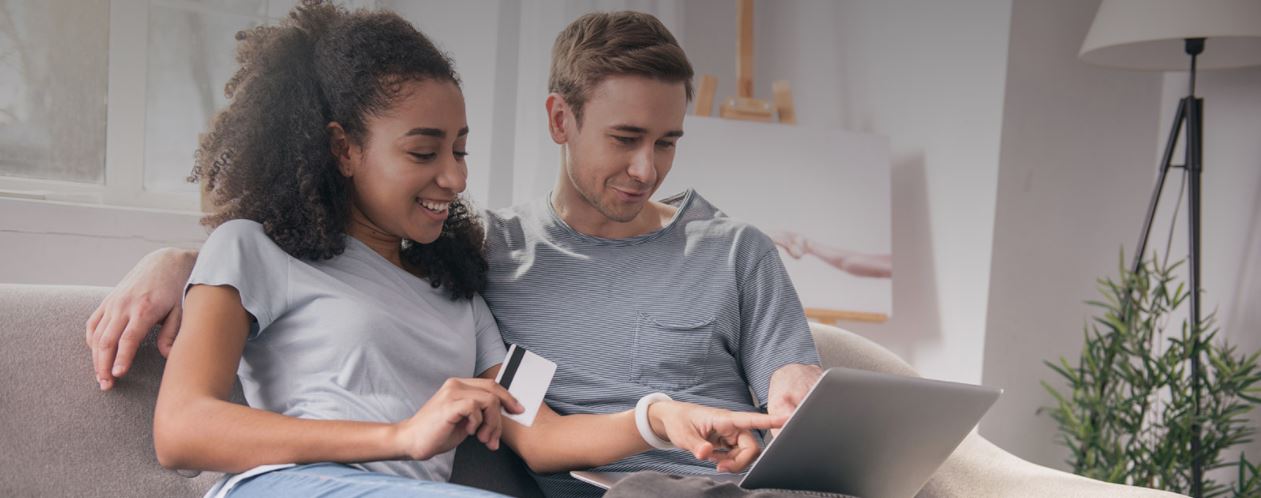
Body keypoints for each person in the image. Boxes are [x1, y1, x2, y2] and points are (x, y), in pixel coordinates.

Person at [86, 9, 824, 498]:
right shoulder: (250, 249)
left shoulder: (464, 286)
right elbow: (181, 430)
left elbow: (536, 436)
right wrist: (177, 259)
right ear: (343, 148)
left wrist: (658, 416)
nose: (455, 178)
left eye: (461, 150)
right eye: (424, 151)